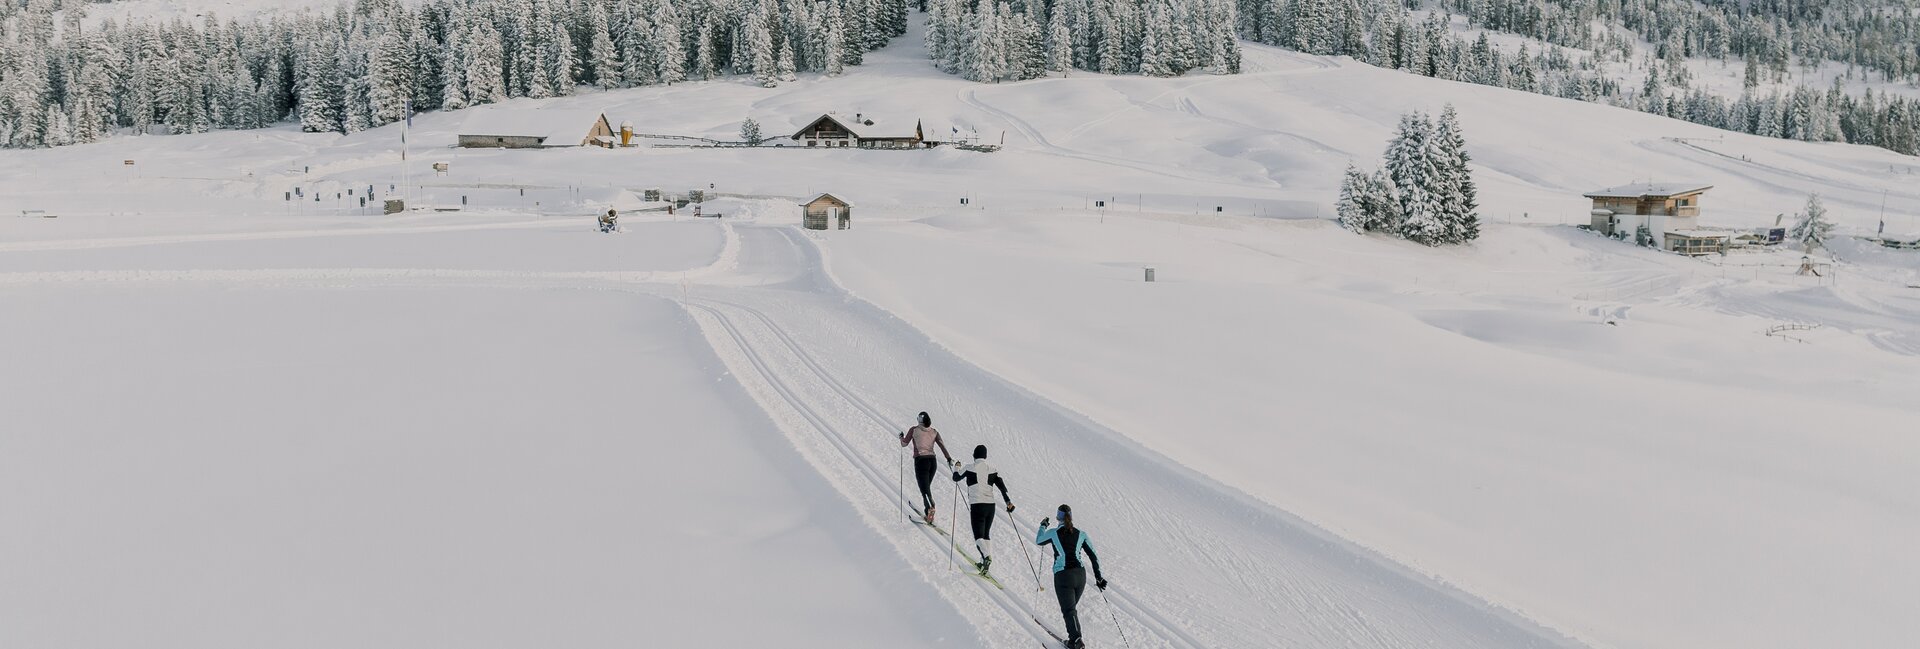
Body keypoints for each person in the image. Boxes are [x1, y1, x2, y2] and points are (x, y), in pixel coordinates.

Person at [1035, 504, 1107, 649]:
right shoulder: (1081, 534)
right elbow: (1093, 555)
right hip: (1080, 576)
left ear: (1058, 517)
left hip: (1064, 577)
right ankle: (1074, 639)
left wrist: (1043, 525)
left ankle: (1076, 641)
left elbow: (1039, 540)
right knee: (1071, 610)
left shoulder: (1053, 533)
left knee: (1069, 611)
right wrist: (1098, 577)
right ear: (1071, 517)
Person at [951, 445, 1015, 573]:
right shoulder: (993, 470)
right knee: (986, 534)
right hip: (990, 506)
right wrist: (1008, 502)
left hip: (977, 505)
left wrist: (956, 467)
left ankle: (986, 557)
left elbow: (956, 478)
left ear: (974, 455)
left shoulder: (969, 467)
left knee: (978, 536)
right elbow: (1002, 488)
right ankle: (984, 563)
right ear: (985, 456)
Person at [899, 411, 954, 524]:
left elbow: (904, 444)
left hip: (921, 461)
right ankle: (928, 510)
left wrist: (901, 437)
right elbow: (942, 445)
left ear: (919, 420)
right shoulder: (934, 432)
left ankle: (930, 508)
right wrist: (948, 458)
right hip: (932, 462)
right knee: (926, 487)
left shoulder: (914, 430)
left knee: (924, 489)